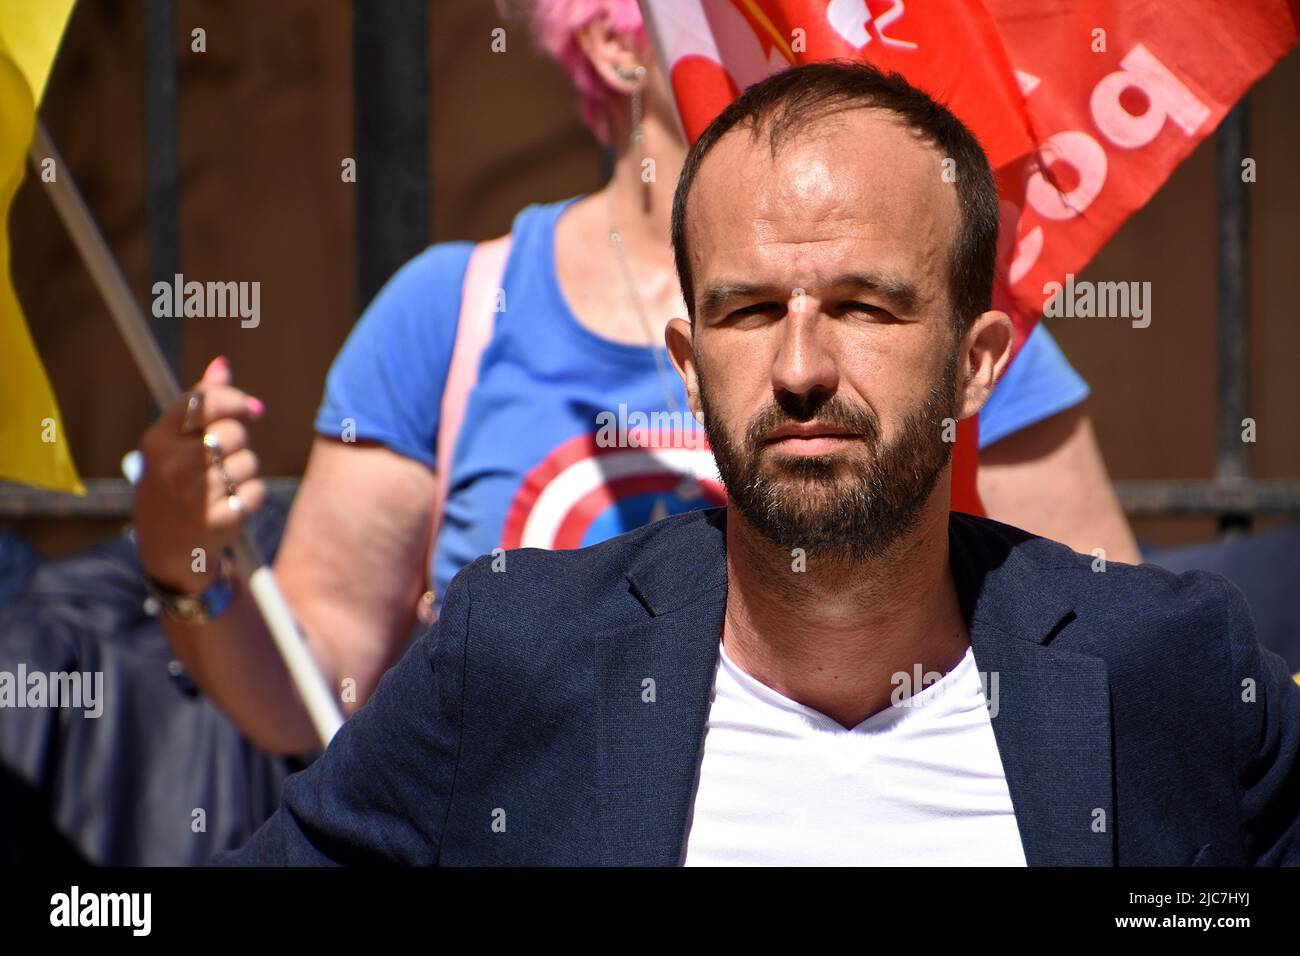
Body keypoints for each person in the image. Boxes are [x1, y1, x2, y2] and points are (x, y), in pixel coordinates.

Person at [216, 61, 1300, 867]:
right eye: (745, 313)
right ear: (688, 365)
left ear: (978, 367)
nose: (797, 368)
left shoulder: (1169, 675)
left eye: (862, 306)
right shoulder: (510, 660)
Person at [133, 0, 1137, 758]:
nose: (811, 29)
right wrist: (186, 563)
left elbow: (1105, 656)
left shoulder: (927, 320)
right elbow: (324, 687)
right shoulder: (447, 311)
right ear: (621, 44)